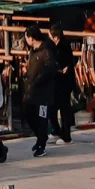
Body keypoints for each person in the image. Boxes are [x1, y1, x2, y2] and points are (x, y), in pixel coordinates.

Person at [21, 24, 57, 157]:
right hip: (31, 90)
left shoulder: (46, 51)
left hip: (43, 92)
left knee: (42, 118)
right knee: (28, 113)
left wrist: (38, 80)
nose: (26, 41)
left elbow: (50, 70)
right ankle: (40, 137)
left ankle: (42, 144)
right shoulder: (33, 51)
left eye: (26, 38)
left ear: (31, 38)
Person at [48, 24, 76, 143]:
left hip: (63, 83)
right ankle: (57, 131)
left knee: (64, 110)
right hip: (57, 83)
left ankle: (66, 136)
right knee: (53, 109)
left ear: (55, 37)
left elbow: (64, 67)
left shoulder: (63, 48)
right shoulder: (57, 47)